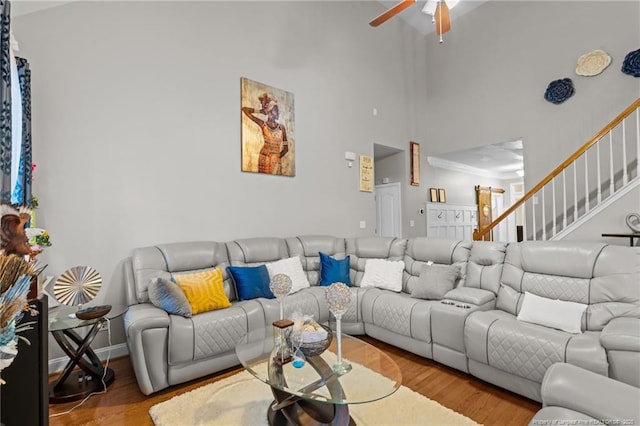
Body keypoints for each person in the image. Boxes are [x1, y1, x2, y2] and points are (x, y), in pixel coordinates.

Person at [242, 92, 289, 175]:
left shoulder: (282, 128)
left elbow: (286, 149)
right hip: (264, 159)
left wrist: (276, 158)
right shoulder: (263, 124)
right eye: (276, 110)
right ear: (270, 111)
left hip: (275, 161)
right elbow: (244, 110)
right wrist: (260, 111)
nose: (278, 112)